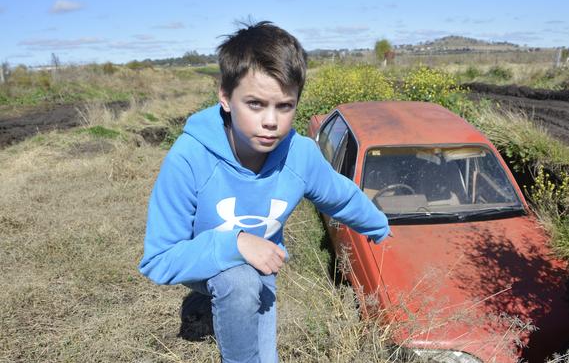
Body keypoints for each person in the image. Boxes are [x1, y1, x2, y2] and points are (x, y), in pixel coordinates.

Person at [138, 21, 391, 363]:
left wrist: (381, 229)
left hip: (264, 267)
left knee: (264, 346)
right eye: (255, 104)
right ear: (225, 97)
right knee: (238, 281)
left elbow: (341, 196)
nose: (271, 121)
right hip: (201, 261)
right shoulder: (188, 158)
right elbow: (159, 260)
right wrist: (235, 243)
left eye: (284, 106)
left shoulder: (299, 154)